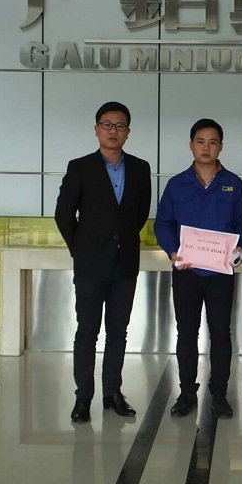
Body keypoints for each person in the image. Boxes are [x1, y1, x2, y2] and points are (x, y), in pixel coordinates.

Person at [54, 101, 152, 423]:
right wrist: (80, 249)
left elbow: (139, 214)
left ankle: (113, 393)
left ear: (128, 132)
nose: (113, 131)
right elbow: (64, 214)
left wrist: (120, 241)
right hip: (90, 266)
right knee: (87, 332)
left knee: (118, 332)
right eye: (107, 125)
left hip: (125, 265)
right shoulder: (80, 167)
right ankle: (83, 397)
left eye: (120, 126)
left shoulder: (140, 169)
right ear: (96, 129)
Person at [154, 118, 242, 419]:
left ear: (220, 147)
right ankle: (187, 392)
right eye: (200, 141)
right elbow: (163, 223)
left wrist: (240, 250)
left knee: (221, 333)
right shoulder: (177, 184)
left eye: (212, 142)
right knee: (186, 332)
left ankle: (219, 394)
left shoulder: (234, 184)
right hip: (186, 271)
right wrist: (172, 251)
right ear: (191, 145)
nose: (206, 148)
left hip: (220, 274)